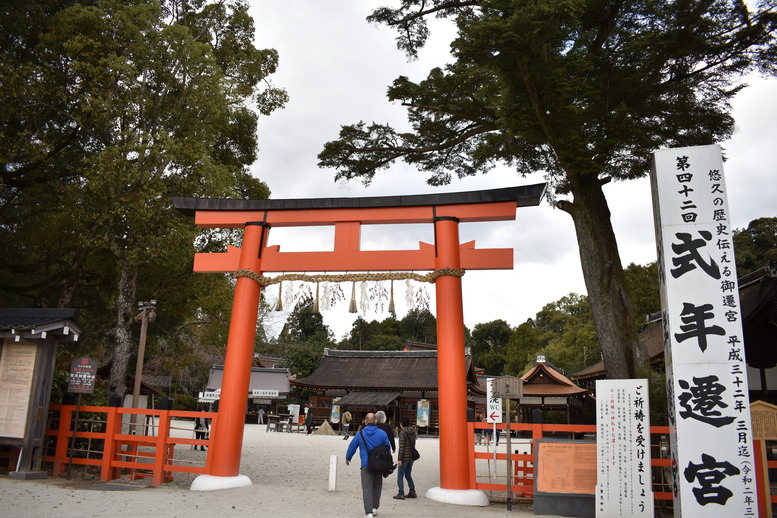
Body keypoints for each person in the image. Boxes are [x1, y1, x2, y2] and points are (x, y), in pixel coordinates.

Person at [345, 412, 391, 518]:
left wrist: (348, 458)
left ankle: (368, 512)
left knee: (367, 488)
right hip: (379, 464)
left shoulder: (360, 434)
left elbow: (352, 446)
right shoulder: (382, 434)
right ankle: (375, 507)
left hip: (366, 464)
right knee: (377, 486)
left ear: (365, 422)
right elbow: (387, 449)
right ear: (375, 421)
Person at [393, 417, 418, 499]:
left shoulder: (402, 433)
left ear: (401, 424)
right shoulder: (413, 432)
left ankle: (401, 493)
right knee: (408, 475)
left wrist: (399, 459)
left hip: (404, 457)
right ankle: (412, 491)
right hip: (411, 457)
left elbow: (402, 447)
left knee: (400, 476)